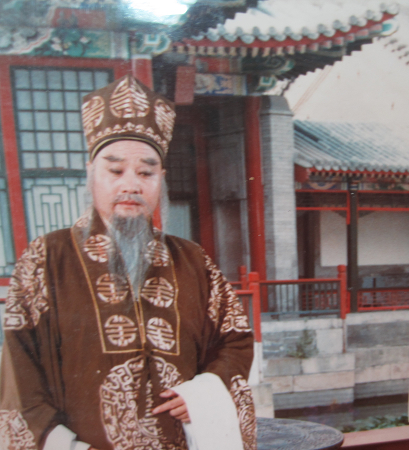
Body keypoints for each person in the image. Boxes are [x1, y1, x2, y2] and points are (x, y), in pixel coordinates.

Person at [0, 75, 256, 450]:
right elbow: (19, 371)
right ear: (91, 173)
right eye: (115, 170)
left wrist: (205, 393)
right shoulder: (46, 258)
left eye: (146, 172)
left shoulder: (193, 260)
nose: (131, 185)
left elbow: (234, 340)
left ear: (161, 179)